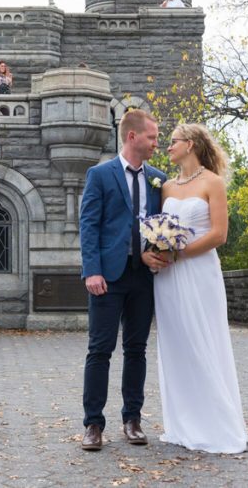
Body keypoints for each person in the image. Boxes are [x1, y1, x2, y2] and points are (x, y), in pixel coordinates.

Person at [142, 123, 248, 453]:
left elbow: (219, 234)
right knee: (177, 345)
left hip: (200, 272)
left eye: (173, 142)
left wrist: (181, 252)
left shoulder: (212, 183)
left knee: (204, 339)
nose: (167, 147)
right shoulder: (167, 187)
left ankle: (217, 424)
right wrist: (156, 253)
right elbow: (158, 229)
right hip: (169, 278)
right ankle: (184, 423)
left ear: (190, 145)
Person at [79, 109, 168, 451]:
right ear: (132, 137)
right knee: (100, 350)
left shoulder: (158, 178)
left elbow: (161, 225)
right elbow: (89, 225)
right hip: (108, 277)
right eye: (152, 137)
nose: (156, 143)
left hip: (143, 277)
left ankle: (132, 420)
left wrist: (160, 254)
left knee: (136, 350)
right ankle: (93, 425)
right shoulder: (100, 175)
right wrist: (93, 270)